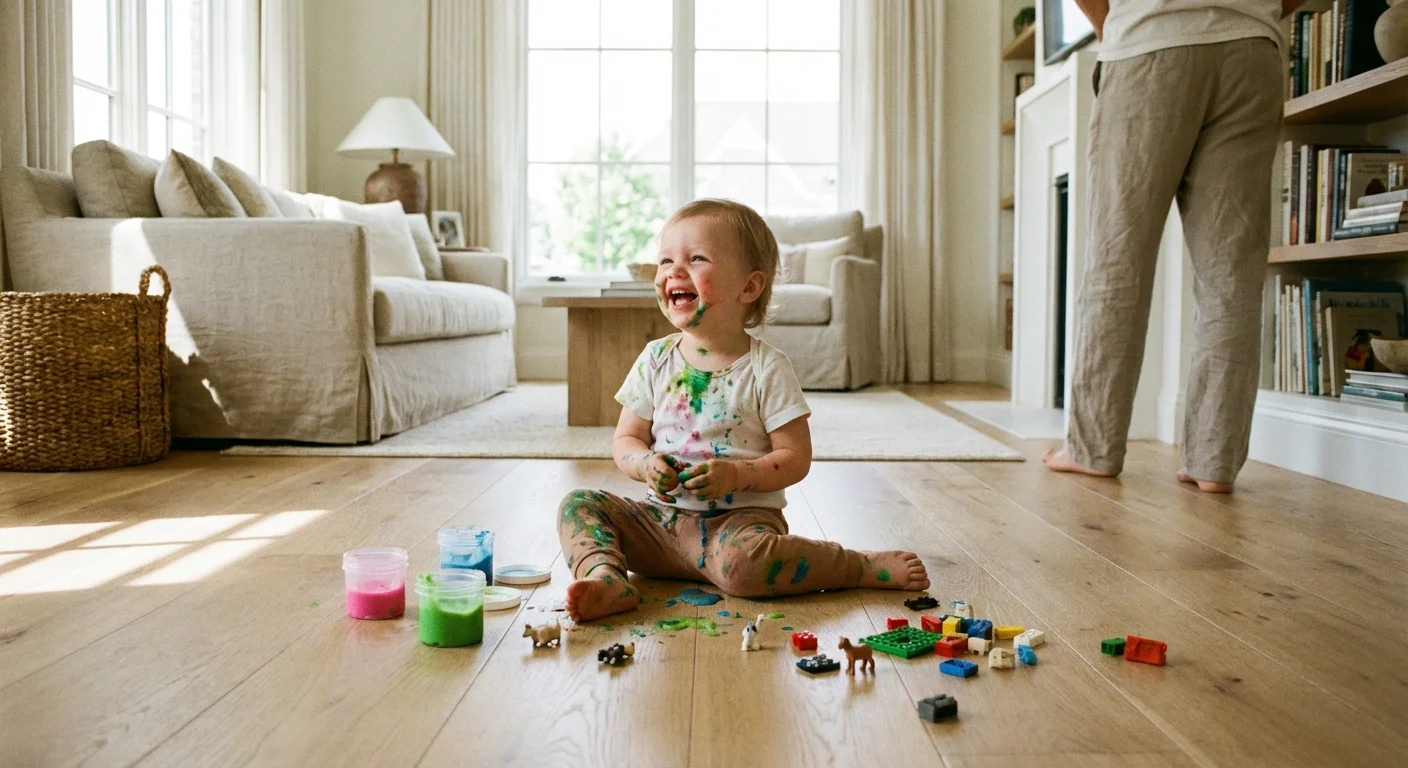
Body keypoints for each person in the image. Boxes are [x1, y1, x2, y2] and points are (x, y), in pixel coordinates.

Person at [557, 199, 928, 622]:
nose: (674, 271)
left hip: (736, 529)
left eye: (696, 259)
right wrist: (645, 465)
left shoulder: (767, 367)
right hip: (657, 524)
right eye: (665, 260)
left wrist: (738, 475)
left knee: (745, 568)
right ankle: (607, 577)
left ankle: (856, 565)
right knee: (578, 503)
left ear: (748, 288)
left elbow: (795, 458)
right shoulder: (655, 359)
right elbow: (626, 440)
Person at [1044, 0, 1301, 493]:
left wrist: (1116, 25)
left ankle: (1093, 447)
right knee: (1232, 273)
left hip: (1149, 43)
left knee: (1118, 259)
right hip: (1251, 53)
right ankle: (1214, 460)